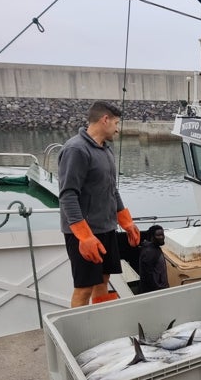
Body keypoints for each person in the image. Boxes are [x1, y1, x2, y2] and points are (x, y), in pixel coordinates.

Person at [58, 101, 140, 307]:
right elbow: (68, 195)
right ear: (105, 120)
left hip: (106, 228)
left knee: (103, 280)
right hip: (84, 233)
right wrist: (84, 237)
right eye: (116, 122)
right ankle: (79, 333)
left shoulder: (105, 150)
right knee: (84, 287)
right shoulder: (76, 150)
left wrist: (126, 222)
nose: (117, 128)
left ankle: (100, 326)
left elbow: (112, 190)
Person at [138, 225, 170, 293]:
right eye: (158, 235)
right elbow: (148, 277)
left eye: (162, 234)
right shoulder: (149, 252)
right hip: (157, 292)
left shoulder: (154, 248)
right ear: (151, 237)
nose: (161, 237)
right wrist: (160, 290)